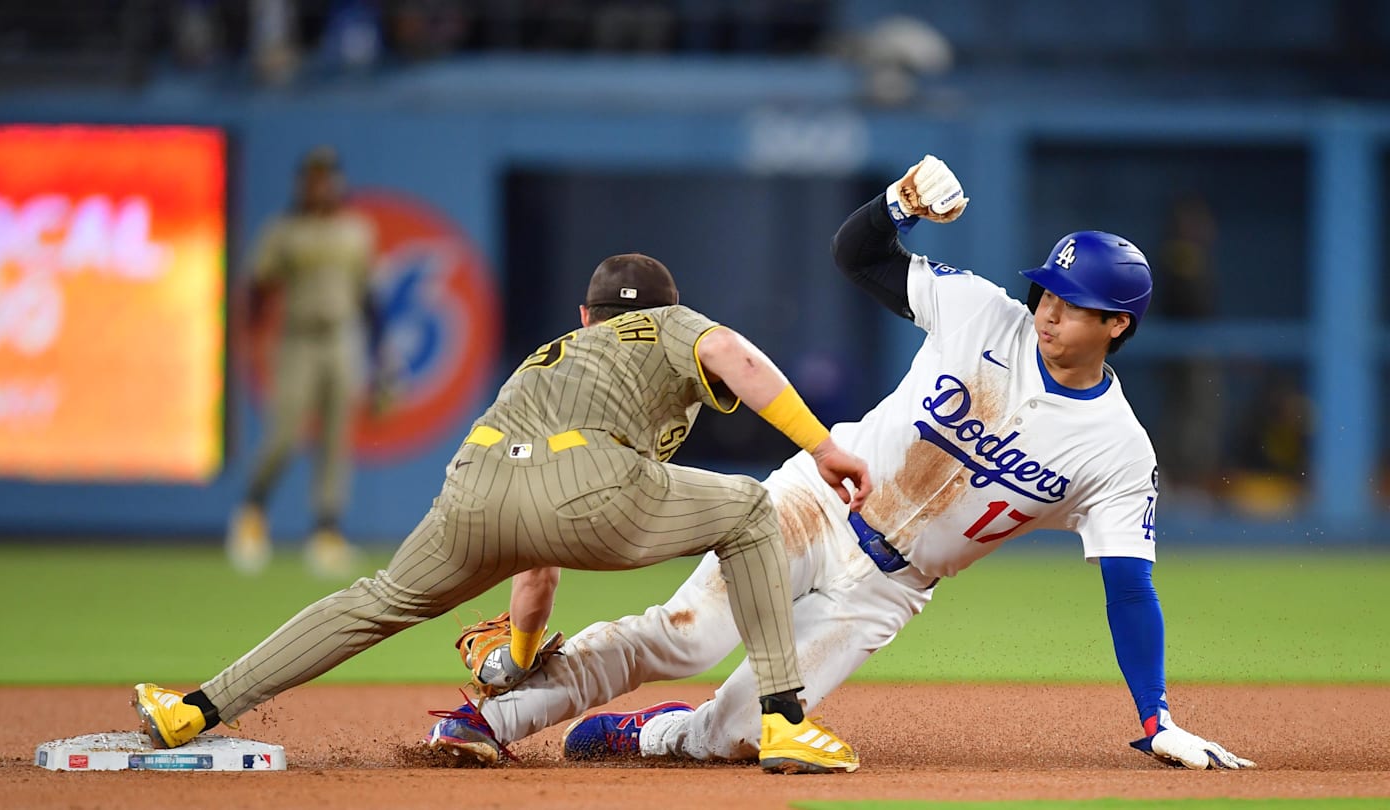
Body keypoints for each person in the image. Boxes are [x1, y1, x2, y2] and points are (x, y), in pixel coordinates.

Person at [424, 156, 1256, 771]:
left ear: (1118, 326)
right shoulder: (979, 314)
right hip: (816, 505)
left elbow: (1128, 586)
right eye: (1048, 291)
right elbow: (856, 255)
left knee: (739, 738)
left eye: (1075, 306)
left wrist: (1156, 718)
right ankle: (491, 722)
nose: (1049, 311)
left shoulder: (1117, 449)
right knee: (681, 638)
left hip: (890, 590)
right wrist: (897, 202)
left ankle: (655, 734)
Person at [134, 253, 873, 776]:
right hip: (592, 485)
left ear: (584, 316)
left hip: (474, 487)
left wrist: (520, 655)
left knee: (375, 603)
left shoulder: (554, 355)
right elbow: (733, 353)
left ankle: (194, 708)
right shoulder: (669, 325)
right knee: (747, 508)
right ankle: (784, 720)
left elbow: (536, 551)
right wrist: (820, 446)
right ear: (662, 307)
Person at [226, 146, 382, 579]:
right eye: (313, 178)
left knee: (336, 439)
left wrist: (381, 353)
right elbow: (258, 287)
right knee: (285, 434)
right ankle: (251, 515)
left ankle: (326, 532)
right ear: (302, 183)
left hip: (340, 337)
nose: (321, 186)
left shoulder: (355, 230)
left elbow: (369, 297)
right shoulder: (283, 231)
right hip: (297, 339)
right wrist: (251, 336)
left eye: (327, 177)